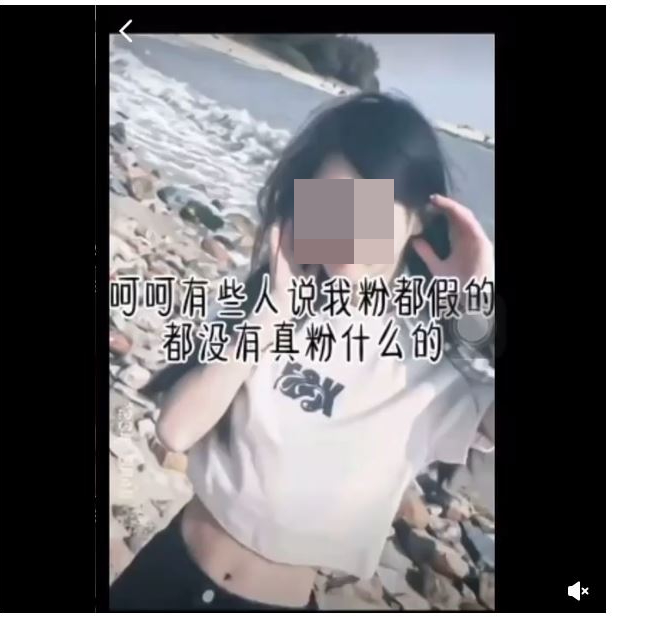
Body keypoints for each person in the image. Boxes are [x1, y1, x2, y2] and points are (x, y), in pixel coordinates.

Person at [109, 92, 495, 611]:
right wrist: (269, 317)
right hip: (165, 573)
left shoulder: (432, 368)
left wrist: (481, 314)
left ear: (421, 218)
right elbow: (177, 430)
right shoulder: (265, 301)